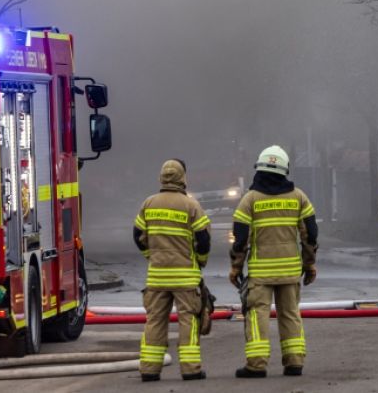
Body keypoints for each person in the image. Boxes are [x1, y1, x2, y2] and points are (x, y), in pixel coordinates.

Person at [230, 145, 318, 378]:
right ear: (284, 170)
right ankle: (294, 363)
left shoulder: (250, 200)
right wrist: (309, 265)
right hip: (290, 271)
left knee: (257, 315)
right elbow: (310, 234)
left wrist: (236, 267)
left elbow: (240, 238)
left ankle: (256, 365)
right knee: (290, 314)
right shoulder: (299, 197)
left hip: (261, 273)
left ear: (259, 169)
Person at [134, 159, 212, 382]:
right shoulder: (191, 205)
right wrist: (200, 261)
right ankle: (191, 370)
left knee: (155, 321)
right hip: (186, 277)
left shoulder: (148, 203)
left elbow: (138, 236)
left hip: (157, 276)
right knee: (188, 320)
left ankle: (149, 369)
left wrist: (152, 257)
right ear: (182, 178)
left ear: (161, 177)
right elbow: (203, 240)